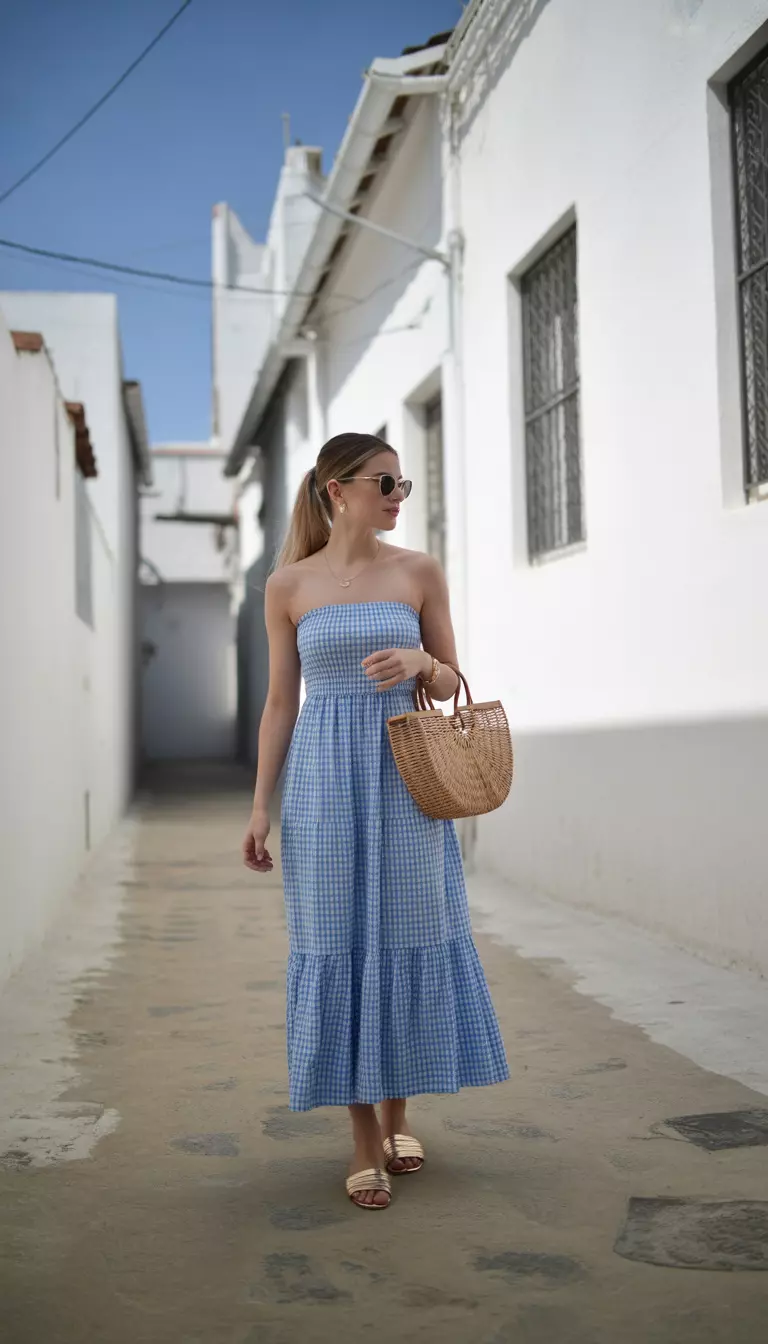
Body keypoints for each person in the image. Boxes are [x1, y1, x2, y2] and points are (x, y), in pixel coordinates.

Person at [242, 432, 509, 1210]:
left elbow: (453, 675)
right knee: (338, 943)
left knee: (408, 934)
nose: (398, 493)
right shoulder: (287, 585)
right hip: (323, 787)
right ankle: (364, 1143)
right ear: (337, 489)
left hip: (407, 780)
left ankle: (399, 1118)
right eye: (384, 480)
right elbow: (280, 703)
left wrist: (424, 666)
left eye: (404, 482)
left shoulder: (418, 571)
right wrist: (262, 806)